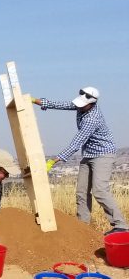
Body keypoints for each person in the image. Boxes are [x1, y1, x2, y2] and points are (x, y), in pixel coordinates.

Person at [31, 86, 127, 235]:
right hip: (88, 155)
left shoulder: (92, 119)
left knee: (100, 190)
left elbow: (77, 142)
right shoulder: (81, 106)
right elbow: (62, 105)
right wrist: (37, 101)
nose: (79, 107)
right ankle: (83, 227)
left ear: (92, 104)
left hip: (103, 155)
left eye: (83, 105)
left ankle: (121, 225)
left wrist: (54, 160)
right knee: (81, 192)